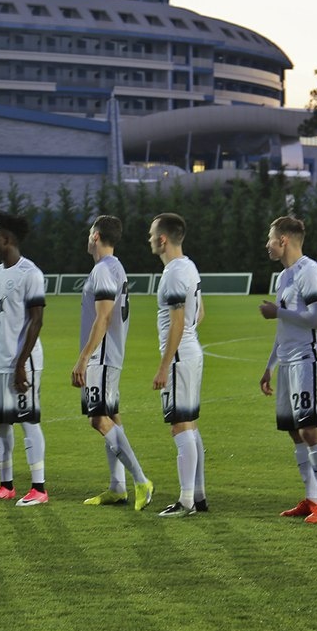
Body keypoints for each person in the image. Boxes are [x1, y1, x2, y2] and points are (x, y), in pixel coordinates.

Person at [71, 215, 153, 510]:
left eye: (89, 233)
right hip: (109, 355)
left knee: (98, 419)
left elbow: (103, 318)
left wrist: (83, 358)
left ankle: (141, 480)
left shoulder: (103, 270)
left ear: (95, 236)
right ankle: (117, 487)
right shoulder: (115, 267)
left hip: (101, 357)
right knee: (111, 417)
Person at [260, 217, 317, 524]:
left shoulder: (310, 271)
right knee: (294, 431)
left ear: (284, 240)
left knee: (309, 430)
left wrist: (277, 311)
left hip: (308, 359)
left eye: (270, 238)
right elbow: (284, 327)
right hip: (288, 361)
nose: (267, 244)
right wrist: (269, 367)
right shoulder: (284, 277)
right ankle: (312, 498)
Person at [0, 213, 49, 506]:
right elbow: (2, 322)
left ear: (6, 239)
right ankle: (5, 485)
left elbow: (36, 321)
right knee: (0, 423)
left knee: (28, 421)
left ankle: (39, 488)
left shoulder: (30, 273)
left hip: (23, 363)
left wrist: (21, 363)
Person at [149, 212, 206, 518]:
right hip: (191, 352)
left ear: (162, 239)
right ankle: (198, 496)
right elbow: (200, 313)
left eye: (151, 235)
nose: (149, 240)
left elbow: (178, 322)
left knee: (179, 426)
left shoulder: (173, 273)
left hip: (180, 357)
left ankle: (186, 502)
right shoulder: (189, 266)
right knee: (190, 425)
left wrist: (164, 366)